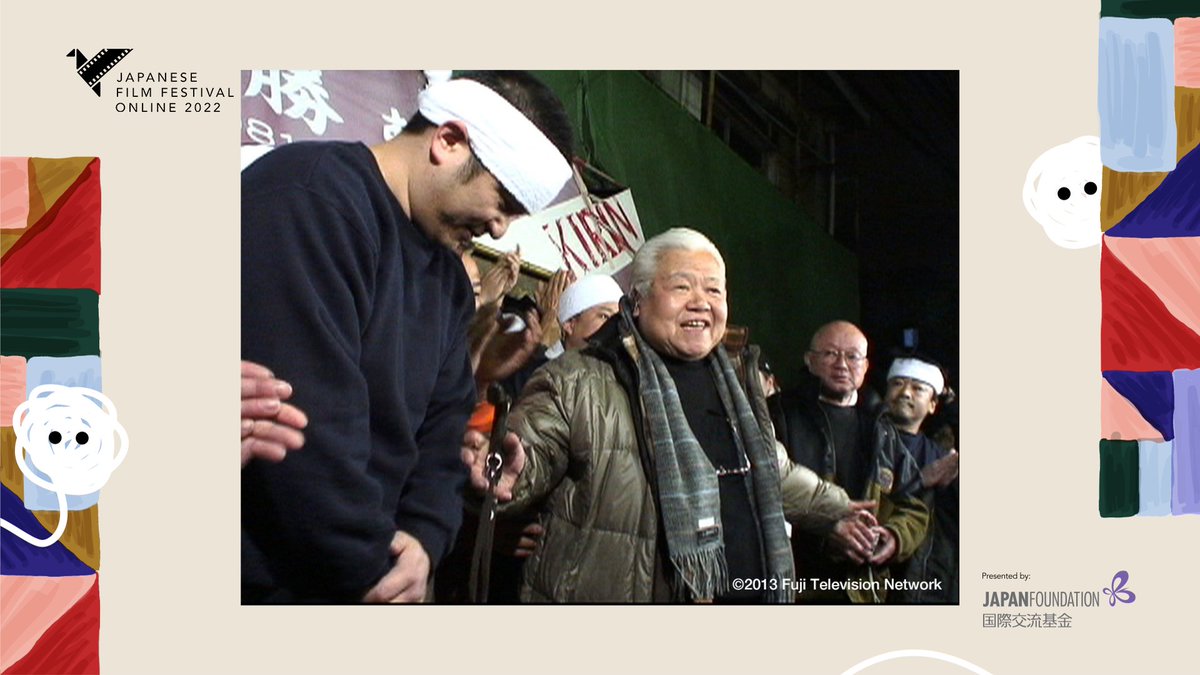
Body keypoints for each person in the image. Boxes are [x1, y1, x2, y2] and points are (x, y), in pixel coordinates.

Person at [241, 71, 573, 604]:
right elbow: (303, 429)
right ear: (448, 141)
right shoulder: (311, 201)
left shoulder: (447, 282)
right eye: (502, 202)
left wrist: (422, 541)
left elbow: (441, 435)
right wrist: (375, 572)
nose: (498, 229)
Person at [462, 229, 876, 603]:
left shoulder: (737, 385)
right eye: (681, 286)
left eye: (714, 291)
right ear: (637, 301)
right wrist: (504, 471)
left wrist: (839, 509)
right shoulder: (579, 379)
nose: (701, 302)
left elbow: (773, 470)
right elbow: (525, 454)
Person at [769, 321, 929, 603]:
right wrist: (826, 531)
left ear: (865, 366)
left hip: (864, 590)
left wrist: (893, 537)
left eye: (852, 356)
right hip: (797, 587)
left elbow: (914, 503)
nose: (842, 364)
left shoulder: (881, 425)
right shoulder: (779, 414)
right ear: (809, 360)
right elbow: (767, 494)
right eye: (830, 354)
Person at [884, 355, 959, 603]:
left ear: (933, 404)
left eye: (918, 388)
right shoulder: (865, 442)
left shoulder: (942, 458)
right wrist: (922, 480)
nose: (905, 393)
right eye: (897, 384)